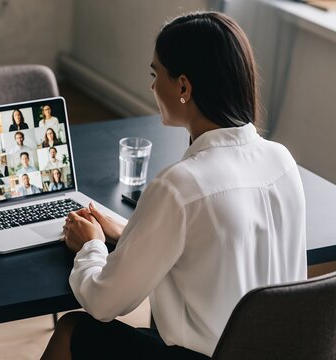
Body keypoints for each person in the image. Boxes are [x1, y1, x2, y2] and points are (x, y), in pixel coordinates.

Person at [42, 12, 306, 360]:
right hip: (279, 351)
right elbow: (216, 245)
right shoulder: (282, 160)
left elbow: (104, 303)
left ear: (183, 87)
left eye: (156, 74)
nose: (152, 86)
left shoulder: (180, 185)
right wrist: (129, 234)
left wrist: (91, 245)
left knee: (71, 330)